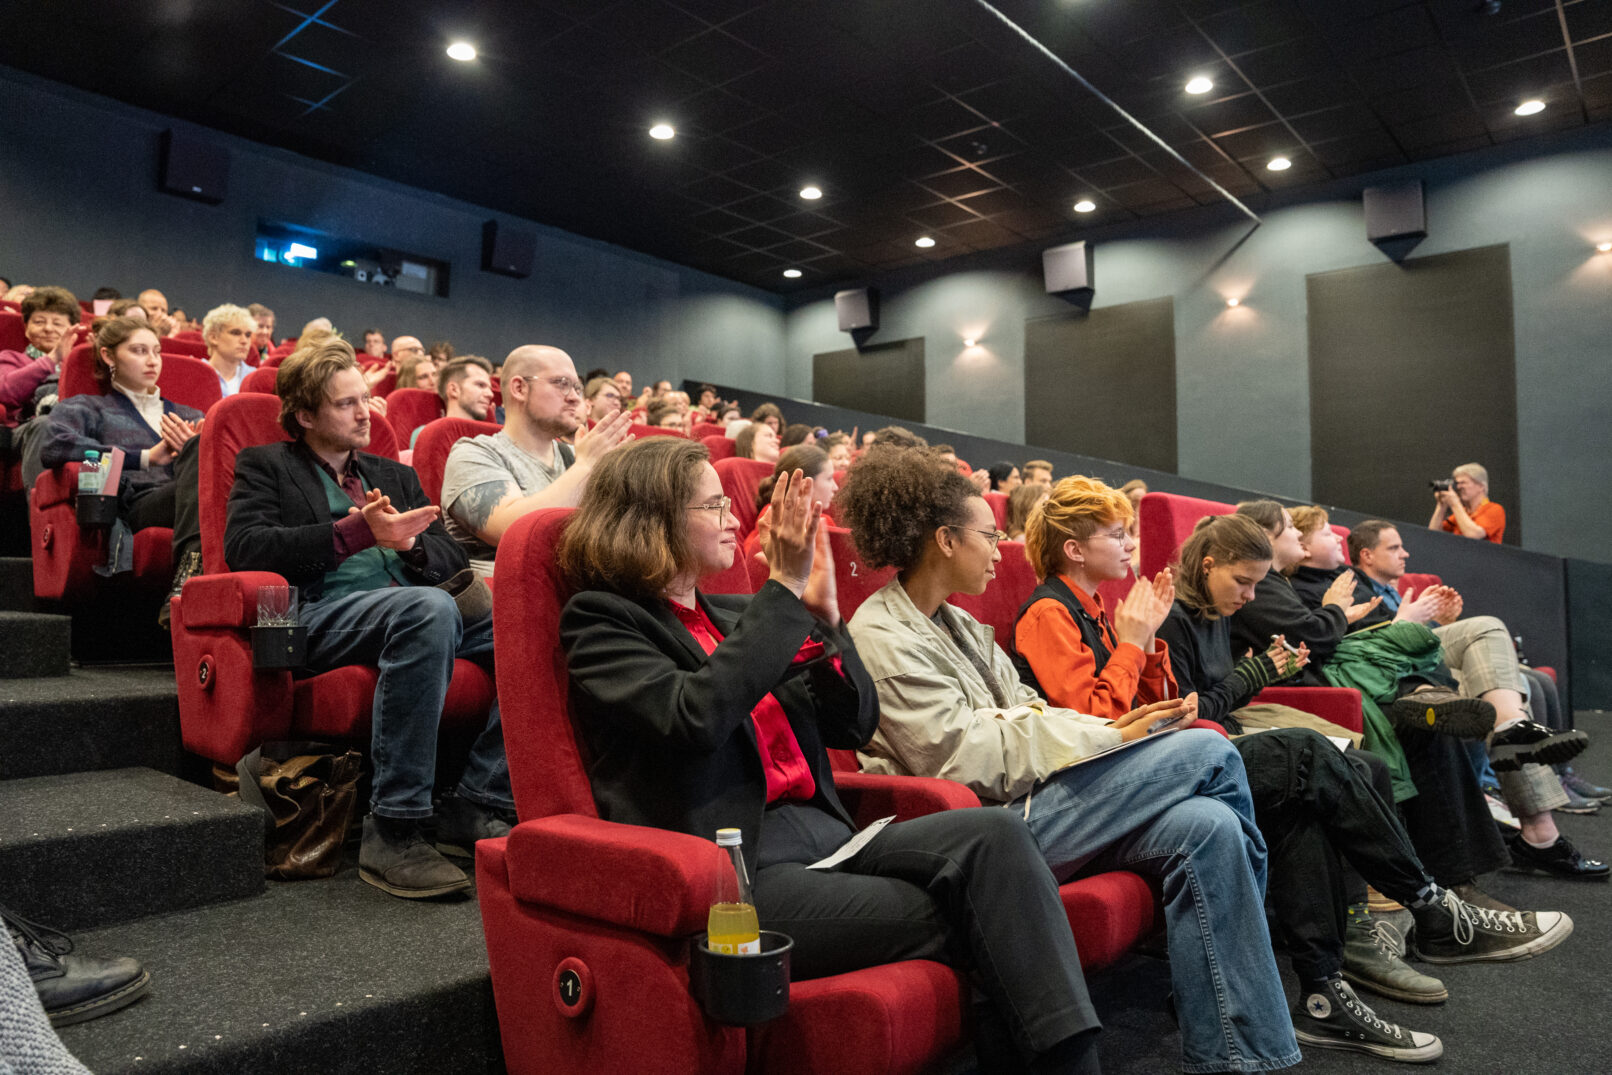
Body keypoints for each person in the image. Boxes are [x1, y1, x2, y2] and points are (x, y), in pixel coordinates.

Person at [557, 436, 1105, 1074]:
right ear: (650, 520)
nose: (735, 517)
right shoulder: (601, 622)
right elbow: (695, 715)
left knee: (997, 835)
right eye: (713, 506)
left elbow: (853, 723)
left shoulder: (741, 616)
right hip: (740, 871)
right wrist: (784, 593)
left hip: (830, 837)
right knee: (990, 912)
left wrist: (827, 625)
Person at [1010, 484, 1568, 1058]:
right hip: (1110, 787)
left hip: (1158, 762)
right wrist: (1135, 644)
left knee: (1301, 797)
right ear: (1074, 549)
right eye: (1116, 535)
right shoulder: (1049, 613)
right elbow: (1095, 730)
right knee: (1308, 754)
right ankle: (1431, 906)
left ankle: (1324, 993)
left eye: (1129, 531)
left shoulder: (1102, 610)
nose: (1132, 545)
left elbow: (1160, 704)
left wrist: (1144, 647)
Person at [836, 447, 1304, 1073]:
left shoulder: (963, 627)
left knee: (1210, 828)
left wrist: (1114, 726)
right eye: (988, 534)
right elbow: (960, 754)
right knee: (1210, 747)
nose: (1002, 547)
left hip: (1040, 799)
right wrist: (1106, 738)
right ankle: (1264, 975)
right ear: (946, 540)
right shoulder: (882, 632)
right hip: (986, 833)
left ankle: (1236, 1058)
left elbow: (1029, 708)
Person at [224, 337, 513, 899]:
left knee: (531, 629)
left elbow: (449, 558)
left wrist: (410, 549)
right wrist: (356, 533)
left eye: (365, 399)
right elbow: (246, 548)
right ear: (304, 415)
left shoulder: (392, 474)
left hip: (410, 608)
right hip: (321, 614)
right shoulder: (267, 466)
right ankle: (395, 828)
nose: (365, 413)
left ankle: (478, 798)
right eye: (346, 404)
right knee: (426, 609)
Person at [1344, 521, 1604, 880]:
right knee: (1505, 688)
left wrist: (1440, 622)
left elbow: (1423, 642)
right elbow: (1370, 650)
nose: (1405, 553)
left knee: (1513, 696)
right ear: (1367, 554)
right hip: (1403, 683)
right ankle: (1540, 833)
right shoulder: (1351, 591)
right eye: (1395, 548)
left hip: (1427, 670)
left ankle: (1540, 810)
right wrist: (1410, 622)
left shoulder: (1391, 590)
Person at [439, 345, 632, 576]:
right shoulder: (473, 454)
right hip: (509, 595)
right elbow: (514, 529)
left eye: (577, 387)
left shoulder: (575, 455)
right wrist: (586, 466)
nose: (573, 397)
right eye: (561, 384)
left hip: (578, 588)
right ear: (519, 388)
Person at [40, 317, 203, 541]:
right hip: (136, 506)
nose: (153, 361)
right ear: (108, 356)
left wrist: (196, 454)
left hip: (187, 497)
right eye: (139, 351)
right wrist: (145, 457)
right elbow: (55, 447)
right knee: (203, 488)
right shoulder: (89, 408)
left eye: (156, 351)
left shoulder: (190, 416)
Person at [744, 444, 839, 566]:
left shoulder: (826, 521)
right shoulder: (771, 519)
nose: (835, 487)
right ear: (805, 485)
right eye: (829, 478)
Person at [0, 285, 77, 427]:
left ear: (73, 329)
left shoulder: (79, 366)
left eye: (57, 323)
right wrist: (51, 359)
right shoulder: (10, 358)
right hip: (29, 428)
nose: (48, 328)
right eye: (39, 322)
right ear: (26, 328)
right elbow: (4, 393)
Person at [408, 355, 496, 449]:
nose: (490, 394)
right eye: (480, 385)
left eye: (489, 388)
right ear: (454, 390)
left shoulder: (492, 439)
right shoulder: (427, 434)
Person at [1429, 463, 1505, 543]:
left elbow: (1473, 535)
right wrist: (1441, 505)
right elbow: (1433, 534)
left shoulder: (1494, 510)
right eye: (1457, 483)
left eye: (1463, 483)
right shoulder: (1463, 513)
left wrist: (1455, 504)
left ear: (1481, 486)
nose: (1458, 487)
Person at [200, 303, 258, 396]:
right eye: (235, 333)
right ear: (213, 337)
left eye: (248, 335)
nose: (244, 341)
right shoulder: (194, 373)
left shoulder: (256, 378)